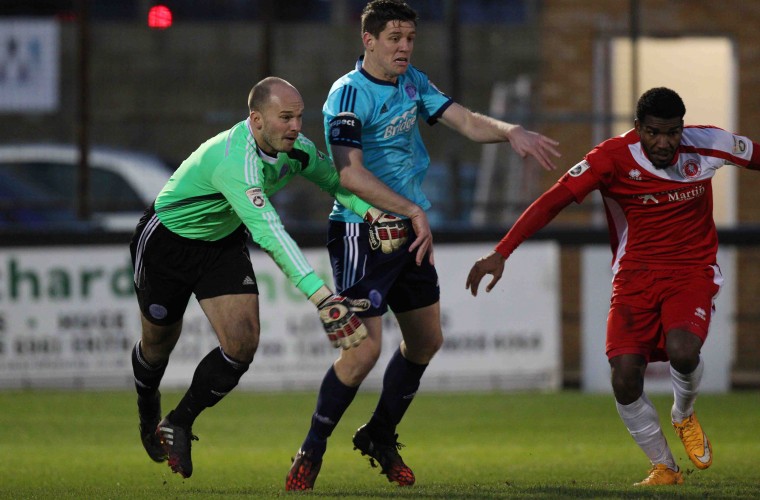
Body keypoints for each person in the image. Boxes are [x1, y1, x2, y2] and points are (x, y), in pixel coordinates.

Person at [285, 0, 561, 491]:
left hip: (410, 231)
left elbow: (470, 122)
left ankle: (379, 435)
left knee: (426, 340)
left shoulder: (414, 83)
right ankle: (312, 448)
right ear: (368, 41)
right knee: (362, 352)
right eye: (394, 38)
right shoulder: (346, 94)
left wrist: (509, 130)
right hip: (360, 231)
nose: (404, 47)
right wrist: (411, 210)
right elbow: (349, 173)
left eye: (410, 38)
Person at [466, 87, 760, 486]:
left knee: (683, 351)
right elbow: (551, 201)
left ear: (682, 127)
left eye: (672, 132)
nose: (664, 142)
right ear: (638, 128)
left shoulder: (707, 142)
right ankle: (664, 467)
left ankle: (683, 414)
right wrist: (502, 252)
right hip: (634, 276)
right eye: (654, 132)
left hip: (691, 271)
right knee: (624, 376)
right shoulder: (609, 159)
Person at [129, 76, 406, 479]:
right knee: (157, 345)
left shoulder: (298, 150)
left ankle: (179, 422)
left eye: (299, 117)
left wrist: (371, 213)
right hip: (167, 244)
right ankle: (146, 406)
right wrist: (323, 297)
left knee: (242, 343)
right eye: (286, 118)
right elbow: (268, 232)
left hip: (221, 244)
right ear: (256, 120)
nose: (296, 126)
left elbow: (337, 183)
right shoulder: (235, 160)